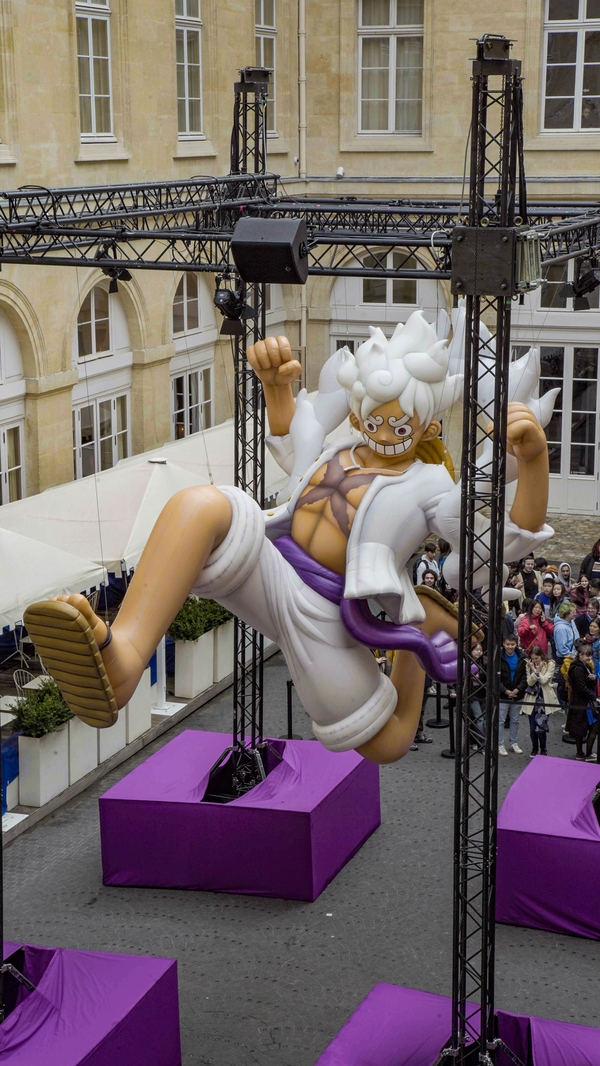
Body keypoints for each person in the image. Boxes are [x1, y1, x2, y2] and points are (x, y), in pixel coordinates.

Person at [22, 314, 554, 766]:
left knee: (385, 743)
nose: (383, 433)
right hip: (270, 565)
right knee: (202, 504)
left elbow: (504, 536)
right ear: (357, 411)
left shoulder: (430, 484)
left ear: (429, 428)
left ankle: (417, 646)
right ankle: (123, 662)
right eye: (374, 419)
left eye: (400, 427)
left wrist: (532, 462)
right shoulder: (337, 448)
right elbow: (289, 438)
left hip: (329, 615)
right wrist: (276, 387)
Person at [521, 645, 556, 757]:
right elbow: (529, 682)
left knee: (541, 727)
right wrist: (533, 670)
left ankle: (543, 749)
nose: (535, 660)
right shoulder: (529, 664)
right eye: (533, 658)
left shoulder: (550, 663)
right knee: (532, 728)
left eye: (537, 658)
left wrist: (537, 671)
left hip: (544, 699)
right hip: (532, 699)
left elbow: (544, 681)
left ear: (541, 656)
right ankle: (534, 748)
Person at [566, 641, 597, 761]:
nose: (589, 658)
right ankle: (584, 753)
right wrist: (594, 698)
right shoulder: (578, 669)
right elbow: (581, 687)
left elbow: (585, 685)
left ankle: (582, 753)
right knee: (590, 727)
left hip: (582, 700)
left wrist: (593, 679)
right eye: (587, 655)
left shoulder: (585, 666)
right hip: (581, 702)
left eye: (590, 655)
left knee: (581, 728)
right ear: (580, 655)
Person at [499, 634, 527, 756]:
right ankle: (500, 744)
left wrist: (518, 689)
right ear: (503, 644)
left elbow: (525, 676)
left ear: (516, 644)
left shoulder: (522, 657)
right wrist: (504, 690)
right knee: (500, 720)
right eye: (507, 644)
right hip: (503, 694)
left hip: (517, 693)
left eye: (512, 644)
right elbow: (495, 677)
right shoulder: (498, 657)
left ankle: (513, 742)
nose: (510, 647)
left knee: (515, 720)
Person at [553, 600, 579, 707]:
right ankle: (563, 703)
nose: (575, 613)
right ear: (567, 614)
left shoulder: (572, 622)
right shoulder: (560, 628)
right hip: (564, 658)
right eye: (573, 612)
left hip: (574, 655)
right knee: (563, 681)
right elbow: (561, 647)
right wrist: (572, 655)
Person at [470, 641, 486, 742]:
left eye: (481, 650)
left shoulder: (485, 662)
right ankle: (482, 742)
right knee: (479, 718)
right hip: (472, 694)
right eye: (477, 650)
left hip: (483, 693)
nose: (479, 652)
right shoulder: (466, 662)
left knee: (482, 718)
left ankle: (478, 740)